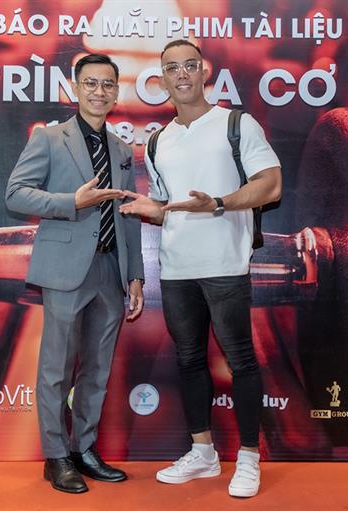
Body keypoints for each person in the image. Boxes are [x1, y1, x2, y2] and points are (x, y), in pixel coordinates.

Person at [119, 40, 281, 498]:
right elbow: (170, 207)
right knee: (189, 360)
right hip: (176, 269)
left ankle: (248, 458)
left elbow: (271, 185)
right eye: (172, 68)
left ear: (204, 71)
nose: (182, 74)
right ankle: (203, 453)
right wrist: (149, 209)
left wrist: (220, 203)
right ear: (162, 80)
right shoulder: (158, 141)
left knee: (241, 360)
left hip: (226, 263)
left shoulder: (236, 124)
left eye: (189, 65)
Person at [5, 53, 145, 494]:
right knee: (56, 368)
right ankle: (56, 457)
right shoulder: (49, 138)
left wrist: (136, 275)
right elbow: (15, 194)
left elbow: (128, 216)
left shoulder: (122, 149)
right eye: (91, 83)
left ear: (116, 92)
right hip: (65, 270)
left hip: (110, 270)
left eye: (108, 84)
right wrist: (72, 202)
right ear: (75, 88)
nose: (99, 92)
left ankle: (84, 449)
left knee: (97, 370)